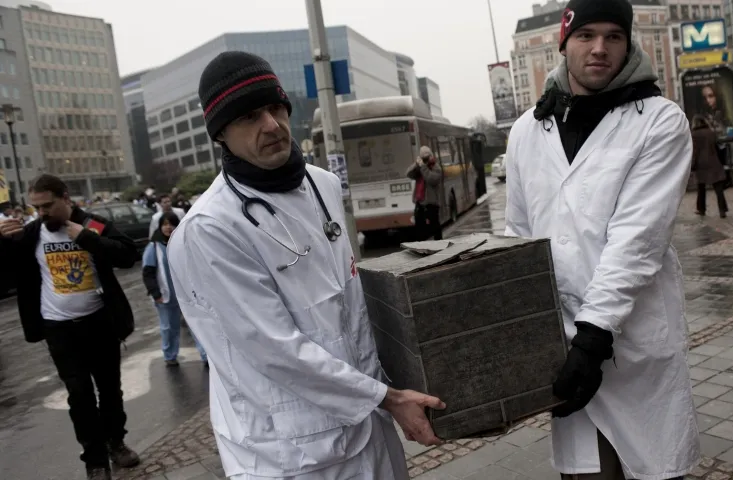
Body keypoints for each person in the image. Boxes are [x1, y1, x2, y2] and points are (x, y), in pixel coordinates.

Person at [166, 51, 445, 479]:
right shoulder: (210, 230)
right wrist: (387, 397)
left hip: (368, 423)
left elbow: (349, 308)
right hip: (289, 453)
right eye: (250, 117)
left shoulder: (323, 185)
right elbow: (275, 349)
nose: (272, 125)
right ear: (220, 133)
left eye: (276, 108)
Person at [504, 1, 699, 479]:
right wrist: (530, 341)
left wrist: (592, 341)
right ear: (564, 42)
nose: (599, 49)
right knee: (586, 475)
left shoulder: (659, 120)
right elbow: (518, 242)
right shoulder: (527, 130)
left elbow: (637, 242)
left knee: (652, 469)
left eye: (614, 36)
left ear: (628, 44)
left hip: (631, 343)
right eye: (586, 35)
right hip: (563, 347)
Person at [0, 174, 141, 480]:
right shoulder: (31, 233)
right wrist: (2, 241)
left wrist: (87, 238)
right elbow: (6, 273)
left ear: (65, 198)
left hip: (100, 324)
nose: (42, 213)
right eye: (36, 207)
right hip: (59, 329)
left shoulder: (92, 224)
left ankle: (116, 443)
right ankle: (95, 461)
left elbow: (129, 254)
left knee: (109, 389)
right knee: (79, 395)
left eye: (48, 205)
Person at [142, 211, 207, 366]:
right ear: (160, 227)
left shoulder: (184, 242)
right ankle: (170, 355)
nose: (168, 227)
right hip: (166, 295)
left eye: (171, 223)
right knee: (169, 328)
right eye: (164, 224)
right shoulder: (154, 247)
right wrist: (155, 292)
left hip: (188, 293)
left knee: (198, 324)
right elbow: (148, 272)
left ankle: (206, 355)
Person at [692, 115, 728, 218]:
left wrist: (692, 164)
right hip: (713, 161)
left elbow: (694, 151)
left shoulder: (693, 134)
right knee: (718, 188)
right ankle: (722, 210)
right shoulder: (711, 132)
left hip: (701, 164)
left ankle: (701, 209)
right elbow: (717, 146)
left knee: (701, 188)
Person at [406, 146, 443, 240]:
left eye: (427, 157)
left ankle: (440, 246)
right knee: (419, 228)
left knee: (435, 227)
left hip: (432, 202)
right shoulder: (420, 167)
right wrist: (416, 164)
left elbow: (432, 179)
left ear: (431, 156)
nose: (426, 159)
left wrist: (423, 167)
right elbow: (409, 174)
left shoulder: (436, 167)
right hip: (420, 202)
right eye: (423, 157)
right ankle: (422, 248)